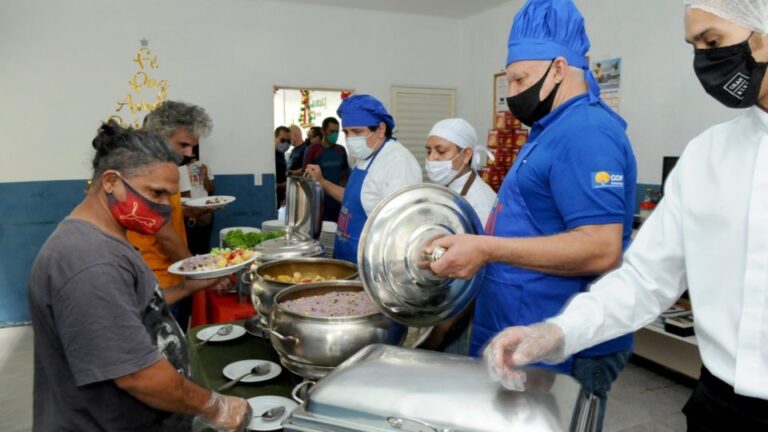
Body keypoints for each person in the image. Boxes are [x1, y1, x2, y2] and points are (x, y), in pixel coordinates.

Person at [484, 1, 768, 430]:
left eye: (713, 42)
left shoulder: (588, 131)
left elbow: (598, 246)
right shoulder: (708, 155)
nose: (705, 61)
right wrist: (556, 333)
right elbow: (644, 280)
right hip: (719, 405)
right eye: (695, 47)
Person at [426, 1, 637, 429]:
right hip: (519, 327)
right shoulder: (550, 129)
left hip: (562, 340)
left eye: (521, 78)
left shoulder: (587, 133)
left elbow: (600, 248)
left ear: (559, 68)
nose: (513, 91)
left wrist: (485, 249)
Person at [28, 121, 249, 431]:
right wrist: (214, 406)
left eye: (169, 197)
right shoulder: (87, 261)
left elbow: (133, 310)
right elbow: (138, 375)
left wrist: (187, 287)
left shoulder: (110, 237)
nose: (163, 209)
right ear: (110, 182)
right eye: (156, 193)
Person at [306, 95, 422, 264]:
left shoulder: (398, 163)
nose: (351, 138)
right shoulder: (366, 154)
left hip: (370, 265)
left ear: (381, 129)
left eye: (357, 131)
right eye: (346, 132)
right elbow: (354, 199)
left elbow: (400, 229)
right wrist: (322, 181)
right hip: (346, 257)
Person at [135, 100, 214, 329]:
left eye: (193, 147)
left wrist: (191, 212)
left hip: (172, 275)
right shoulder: (149, 170)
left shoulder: (165, 167)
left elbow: (166, 212)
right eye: (183, 145)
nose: (189, 153)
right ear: (160, 135)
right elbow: (165, 234)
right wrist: (197, 269)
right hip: (157, 280)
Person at [424, 118, 497, 225]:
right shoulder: (447, 186)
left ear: (466, 155)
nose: (431, 158)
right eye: (429, 151)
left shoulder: (481, 202)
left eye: (441, 151)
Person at [304, 117, 349, 222]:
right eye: (332, 131)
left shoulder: (341, 150)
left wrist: (344, 196)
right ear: (323, 131)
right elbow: (305, 177)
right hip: (318, 201)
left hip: (337, 200)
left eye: (337, 132)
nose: (335, 134)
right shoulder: (312, 150)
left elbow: (344, 174)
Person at [181, 144, 216, 255]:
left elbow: (212, 190)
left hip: (204, 211)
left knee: (204, 247)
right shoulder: (179, 167)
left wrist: (205, 176)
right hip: (185, 212)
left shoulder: (202, 165)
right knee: (188, 246)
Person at [274, 125, 291, 209]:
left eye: (289, 141)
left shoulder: (281, 153)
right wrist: (283, 185)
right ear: (274, 138)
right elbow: (268, 184)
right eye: (283, 140)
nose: (286, 144)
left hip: (280, 197)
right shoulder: (270, 156)